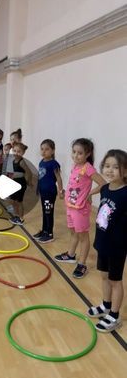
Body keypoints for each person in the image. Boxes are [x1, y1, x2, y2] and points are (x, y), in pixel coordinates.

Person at [87, 149, 127, 332]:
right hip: (102, 241)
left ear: (125, 171)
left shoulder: (125, 193)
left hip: (117, 246)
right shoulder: (104, 189)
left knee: (115, 281)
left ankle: (115, 316)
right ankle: (106, 305)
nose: (110, 170)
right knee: (104, 276)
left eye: (116, 167)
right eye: (107, 166)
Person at [54, 138, 106, 278]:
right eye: (74, 152)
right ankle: (71, 255)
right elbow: (74, 185)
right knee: (73, 233)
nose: (76, 156)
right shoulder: (75, 166)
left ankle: (82, 264)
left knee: (83, 237)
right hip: (70, 206)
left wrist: (90, 193)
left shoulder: (88, 168)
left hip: (80, 209)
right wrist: (64, 192)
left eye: (80, 153)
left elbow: (103, 184)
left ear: (87, 154)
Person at [33, 139, 64, 243]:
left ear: (53, 151)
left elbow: (59, 178)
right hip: (43, 192)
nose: (43, 151)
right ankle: (44, 231)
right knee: (44, 211)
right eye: (42, 149)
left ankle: (49, 234)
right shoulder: (41, 162)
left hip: (50, 193)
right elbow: (40, 177)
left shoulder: (54, 164)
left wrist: (60, 191)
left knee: (48, 212)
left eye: (47, 149)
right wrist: (37, 189)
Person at [9, 142, 32, 225]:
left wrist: (28, 182)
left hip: (20, 184)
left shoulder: (21, 162)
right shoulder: (13, 160)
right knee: (13, 200)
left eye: (19, 151)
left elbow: (29, 172)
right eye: (14, 151)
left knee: (19, 202)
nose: (16, 153)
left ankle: (21, 219)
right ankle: (16, 215)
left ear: (23, 153)